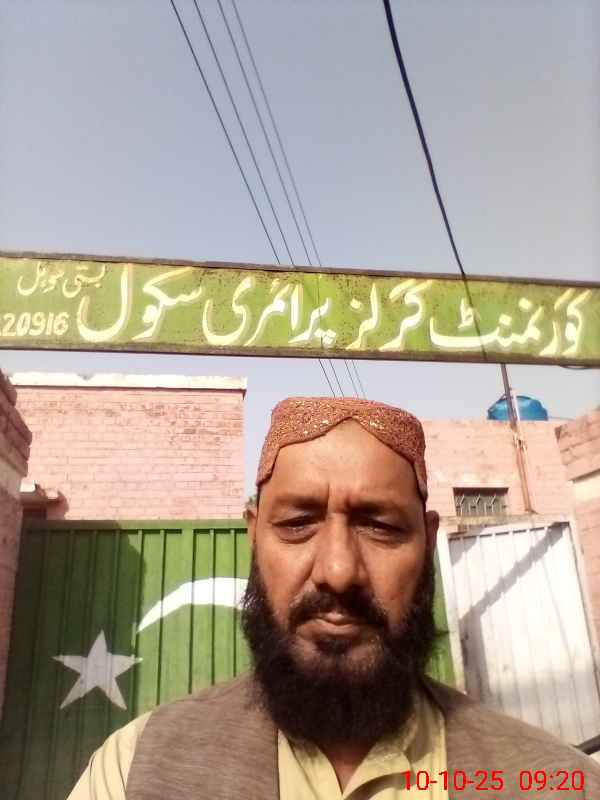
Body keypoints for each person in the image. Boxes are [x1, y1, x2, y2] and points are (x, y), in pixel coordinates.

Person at [68, 397, 600, 799]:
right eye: (298, 523)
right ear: (254, 536)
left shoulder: (555, 782)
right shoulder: (135, 770)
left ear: (428, 540)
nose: (339, 571)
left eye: (380, 526)